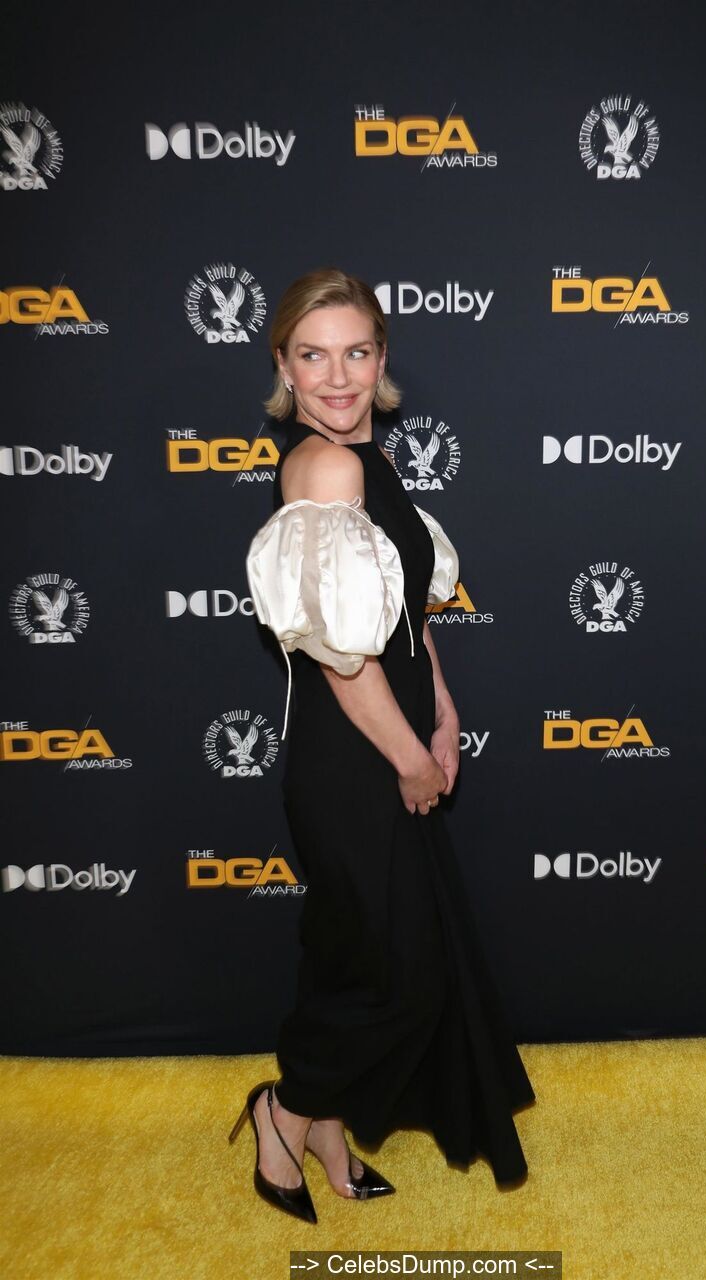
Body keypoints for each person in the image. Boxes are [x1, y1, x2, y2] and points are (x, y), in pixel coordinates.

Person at [231, 267, 535, 1223]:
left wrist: (440, 706)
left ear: (380, 358)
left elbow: (401, 617)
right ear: (283, 365)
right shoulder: (325, 469)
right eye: (313, 355)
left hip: (393, 734)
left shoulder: (368, 460)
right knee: (401, 978)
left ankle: (323, 1129)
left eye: (355, 352)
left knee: (354, 954)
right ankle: (284, 1111)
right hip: (353, 758)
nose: (336, 376)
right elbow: (341, 658)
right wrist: (409, 757)